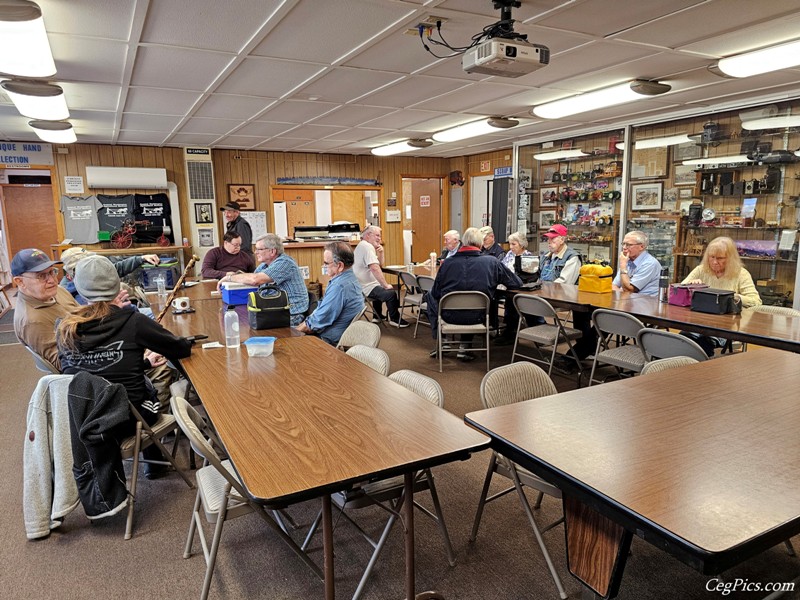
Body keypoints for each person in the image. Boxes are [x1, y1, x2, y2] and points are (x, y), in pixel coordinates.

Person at [56, 255, 194, 478]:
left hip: (84, 419)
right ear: (116, 285)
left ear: (80, 290)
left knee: (140, 381)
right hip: (128, 419)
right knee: (150, 395)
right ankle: (156, 465)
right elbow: (180, 349)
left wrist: (144, 362)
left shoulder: (63, 327)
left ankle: (155, 464)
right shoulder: (133, 320)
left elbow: (85, 372)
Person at [427, 227, 522, 360]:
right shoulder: (492, 262)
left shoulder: (447, 263)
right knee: (472, 301)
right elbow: (516, 283)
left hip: (449, 315)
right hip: (480, 316)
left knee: (430, 294)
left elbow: (437, 292)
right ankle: (464, 347)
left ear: (463, 243)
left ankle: (442, 340)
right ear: (480, 244)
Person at [680, 236, 762, 356]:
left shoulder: (741, 274)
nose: (714, 262)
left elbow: (756, 301)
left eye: (720, 258)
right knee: (682, 340)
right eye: (711, 257)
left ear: (730, 258)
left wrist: (732, 297)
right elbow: (680, 289)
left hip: (727, 327)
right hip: (700, 322)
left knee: (700, 344)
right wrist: (690, 286)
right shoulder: (701, 270)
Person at [13, 248, 80, 368]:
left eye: (51, 272)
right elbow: (63, 364)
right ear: (20, 282)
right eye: (41, 276)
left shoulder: (57, 290)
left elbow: (81, 314)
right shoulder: (32, 321)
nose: (52, 280)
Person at [221, 233, 309, 326]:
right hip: (275, 311)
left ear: (272, 251)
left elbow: (255, 280)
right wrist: (234, 276)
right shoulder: (266, 265)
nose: (255, 252)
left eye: (259, 249)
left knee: (243, 325)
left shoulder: (285, 263)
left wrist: (229, 278)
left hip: (291, 315)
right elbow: (251, 278)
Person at [296, 242, 364, 345]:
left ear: (340, 265)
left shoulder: (339, 286)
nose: (324, 266)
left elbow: (317, 322)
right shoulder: (351, 278)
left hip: (327, 339)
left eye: (326, 263)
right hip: (338, 331)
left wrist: (295, 331)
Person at [59, 246, 161, 305]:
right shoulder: (64, 292)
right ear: (74, 269)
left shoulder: (92, 273)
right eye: (87, 262)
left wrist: (141, 258)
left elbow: (117, 268)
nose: (92, 264)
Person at [353, 225, 409, 328]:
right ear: (368, 235)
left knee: (378, 286)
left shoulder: (363, 245)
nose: (380, 238)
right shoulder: (367, 247)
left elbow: (379, 265)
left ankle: (377, 316)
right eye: (377, 236)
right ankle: (395, 319)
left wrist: (381, 252)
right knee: (391, 294)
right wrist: (386, 285)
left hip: (362, 285)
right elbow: (375, 268)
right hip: (365, 287)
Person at [612, 231, 662, 295]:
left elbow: (629, 290)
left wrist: (623, 266)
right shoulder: (627, 260)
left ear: (641, 247)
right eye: (623, 244)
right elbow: (613, 286)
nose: (624, 248)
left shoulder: (650, 263)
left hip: (645, 303)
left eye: (628, 245)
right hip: (628, 301)